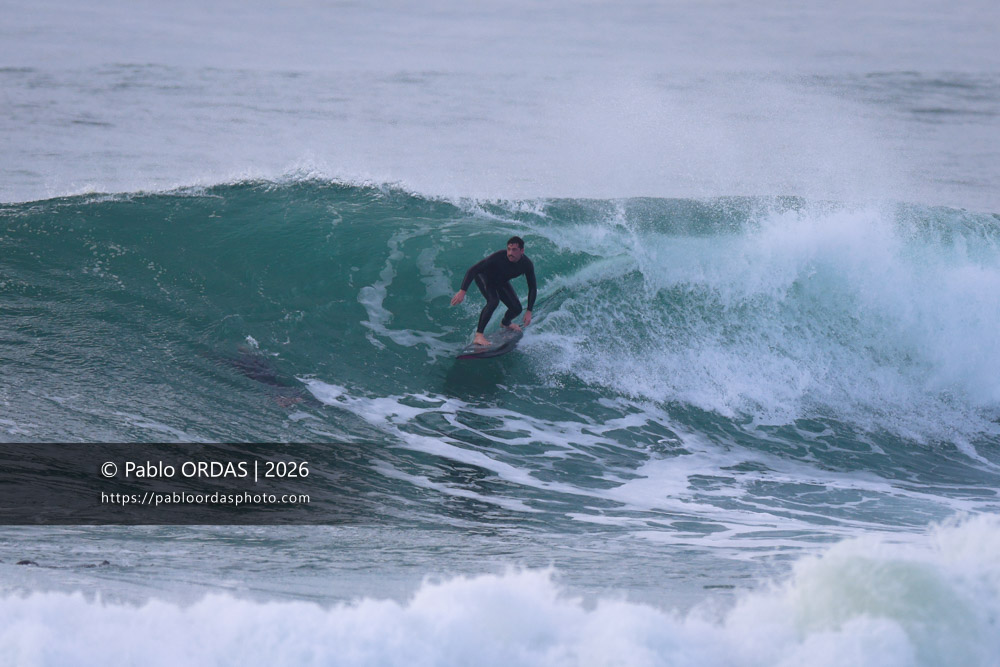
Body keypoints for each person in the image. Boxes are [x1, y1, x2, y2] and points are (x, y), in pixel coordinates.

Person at [451, 236, 536, 347]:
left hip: (501, 281)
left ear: (522, 251)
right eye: (509, 249)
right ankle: (479, 336)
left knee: (517, 308)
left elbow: (532, 287)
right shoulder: (499, 256)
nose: (510, 253)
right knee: (493, 301)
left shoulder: (527, 264)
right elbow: (473, 269)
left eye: (514, 250)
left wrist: (529, 310)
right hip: (485, 277)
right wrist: (462, 291)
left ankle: (505, 323)